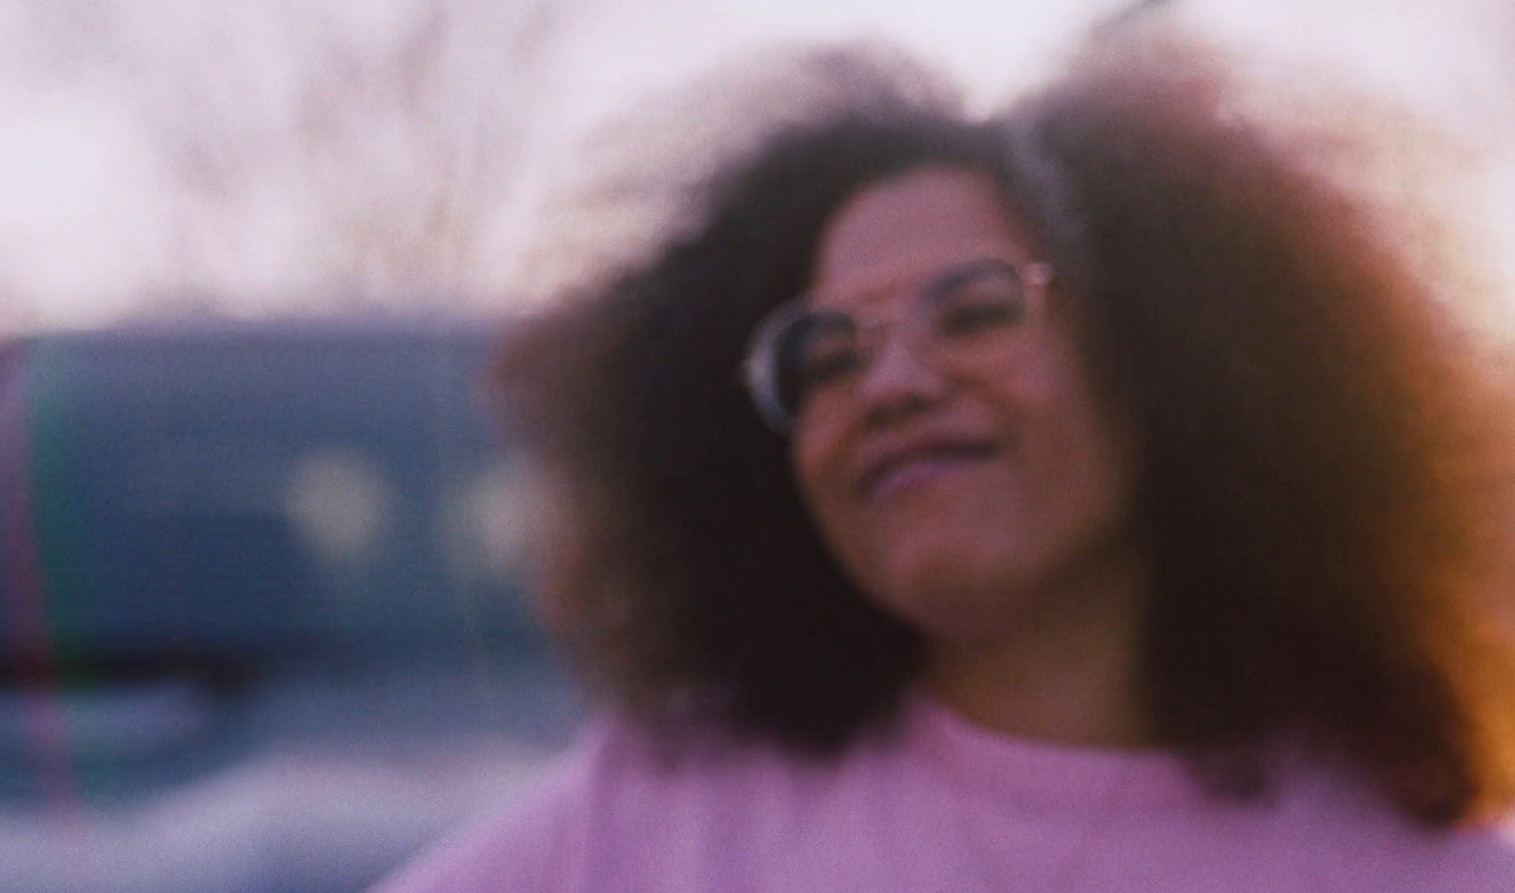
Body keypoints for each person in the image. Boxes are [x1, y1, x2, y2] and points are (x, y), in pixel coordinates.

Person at [375, 26, 1515, 893]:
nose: (891, 382)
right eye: (824, 352)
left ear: (1178, 360)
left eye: (971, 313)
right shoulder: (657, 813)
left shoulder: (1418, 857)